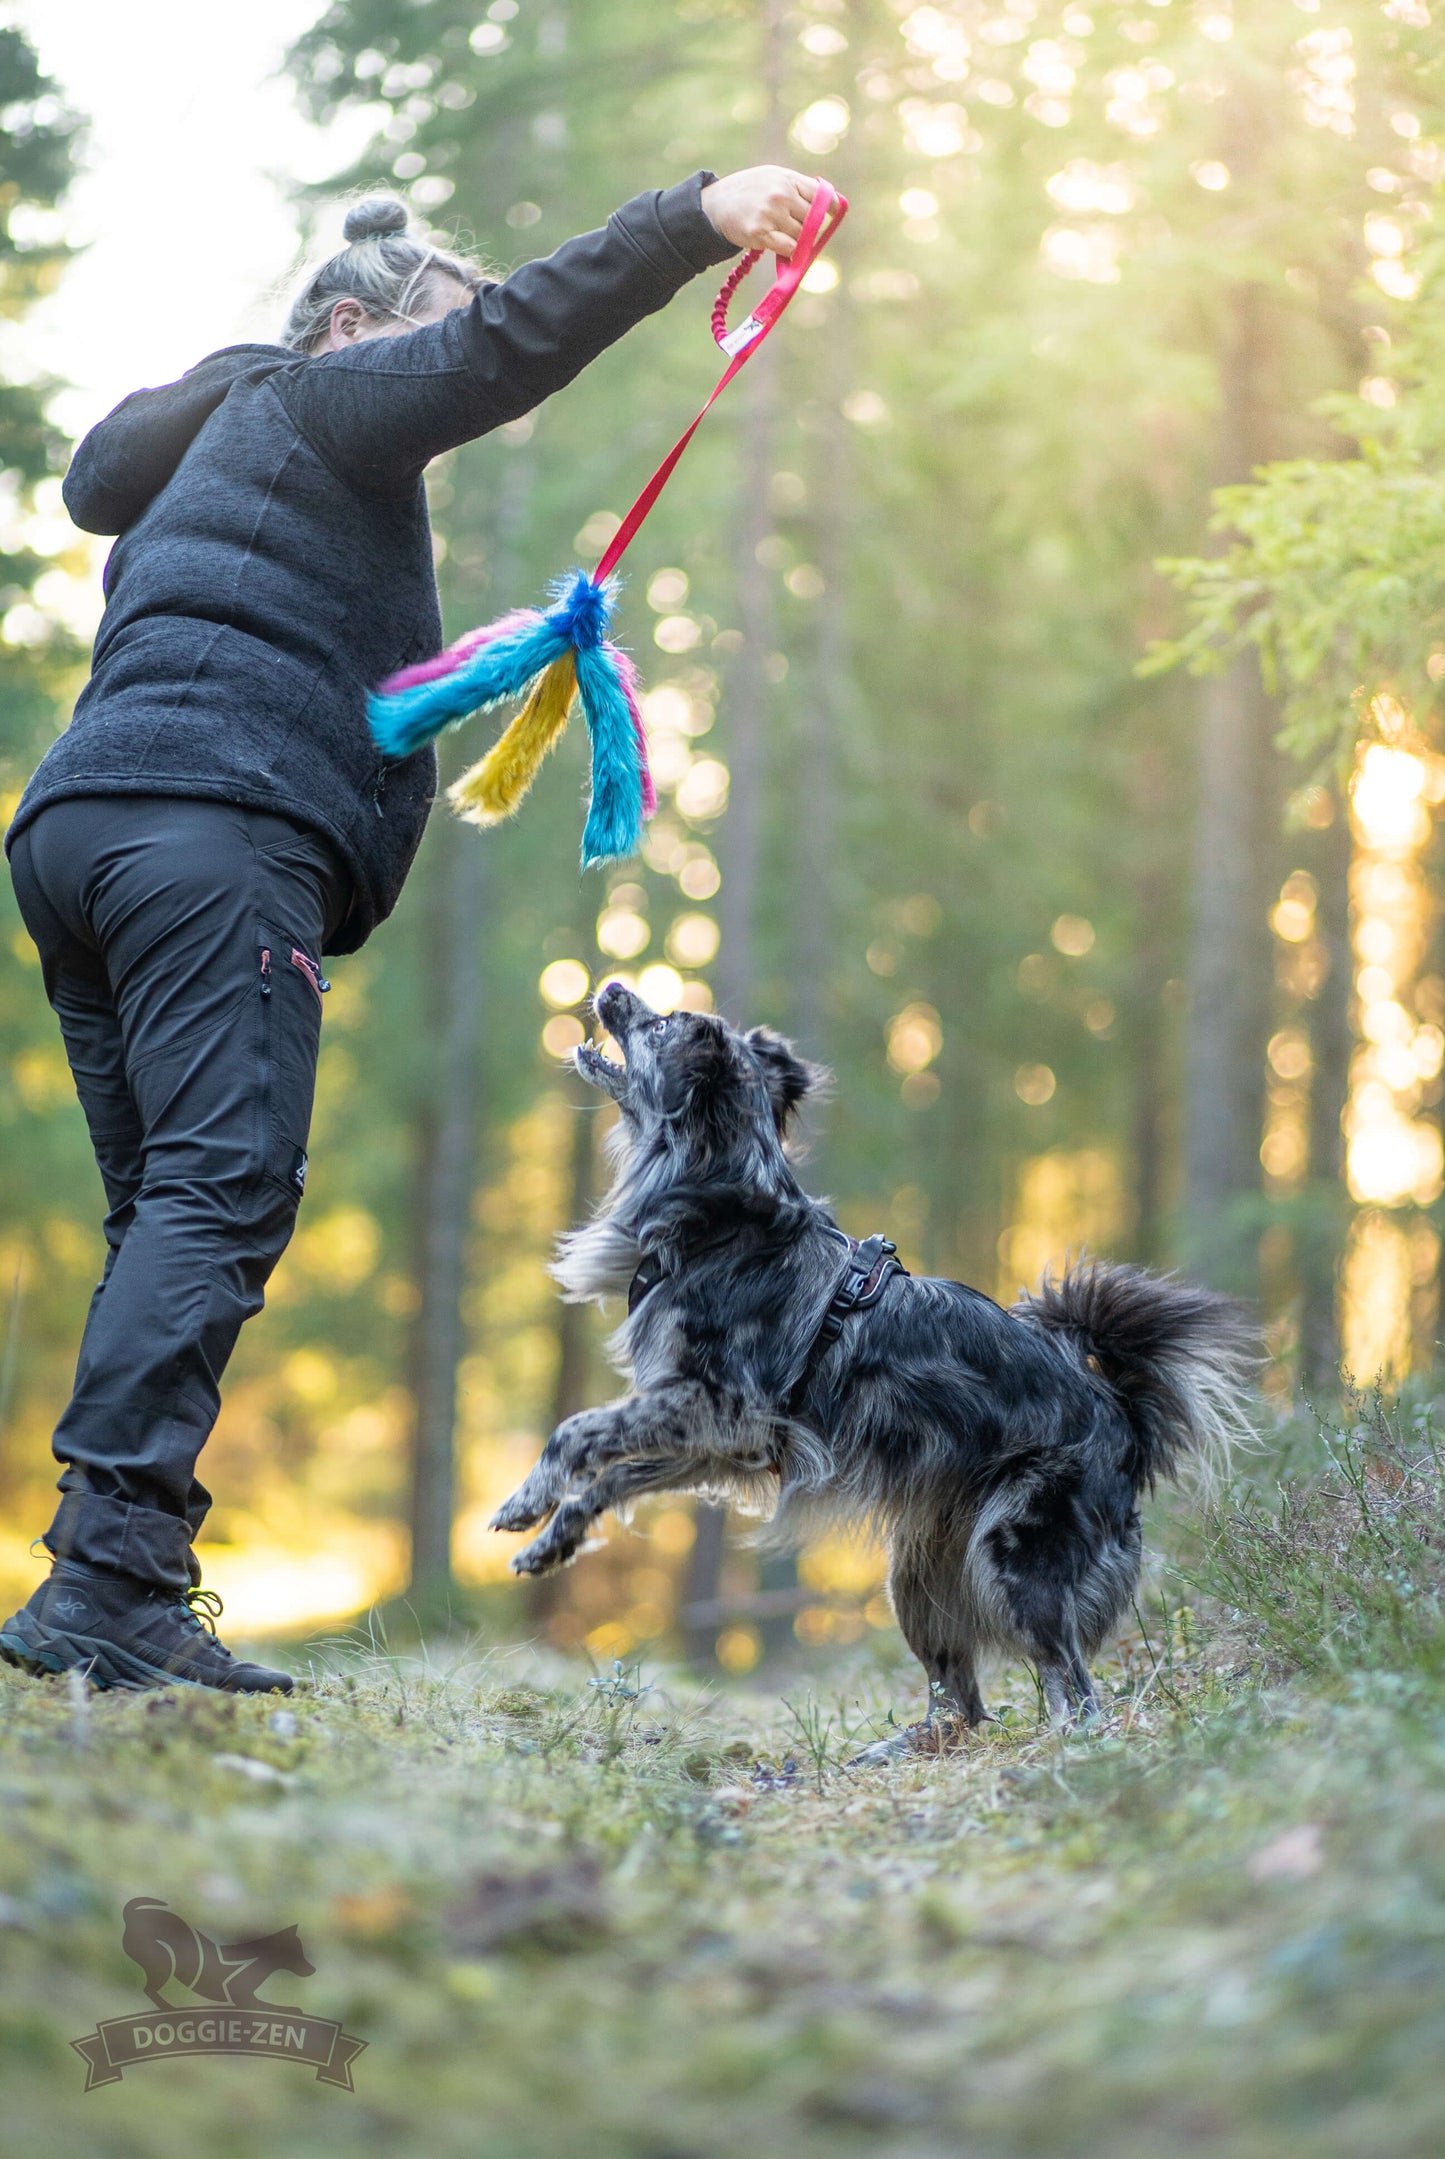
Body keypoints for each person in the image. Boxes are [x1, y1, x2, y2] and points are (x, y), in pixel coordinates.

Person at [0, 163, 820, 1695]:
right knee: (220, 1193)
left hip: (83, 832)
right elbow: (508, 339)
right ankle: (106, 1586)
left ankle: (113, 1580)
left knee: (171, 1214)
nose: (454, 399)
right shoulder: (316, 407)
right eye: (426, 347)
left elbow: (107, 469)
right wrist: (693, 215)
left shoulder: (207, 452)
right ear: (355, 328)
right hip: (211, 828)